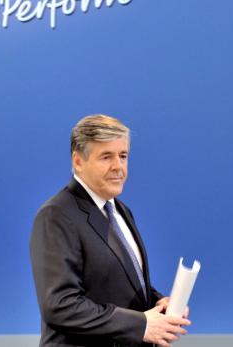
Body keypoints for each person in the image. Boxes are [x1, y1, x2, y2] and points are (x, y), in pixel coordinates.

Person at [30, 114, 191, 347]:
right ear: (78, 161)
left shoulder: (121, 210)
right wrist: (141, 325)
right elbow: (60, 305)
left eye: (123, 156)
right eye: (106, 157)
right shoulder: (56, 216)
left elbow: (119, 283)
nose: (118, 167)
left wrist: (158, 304)